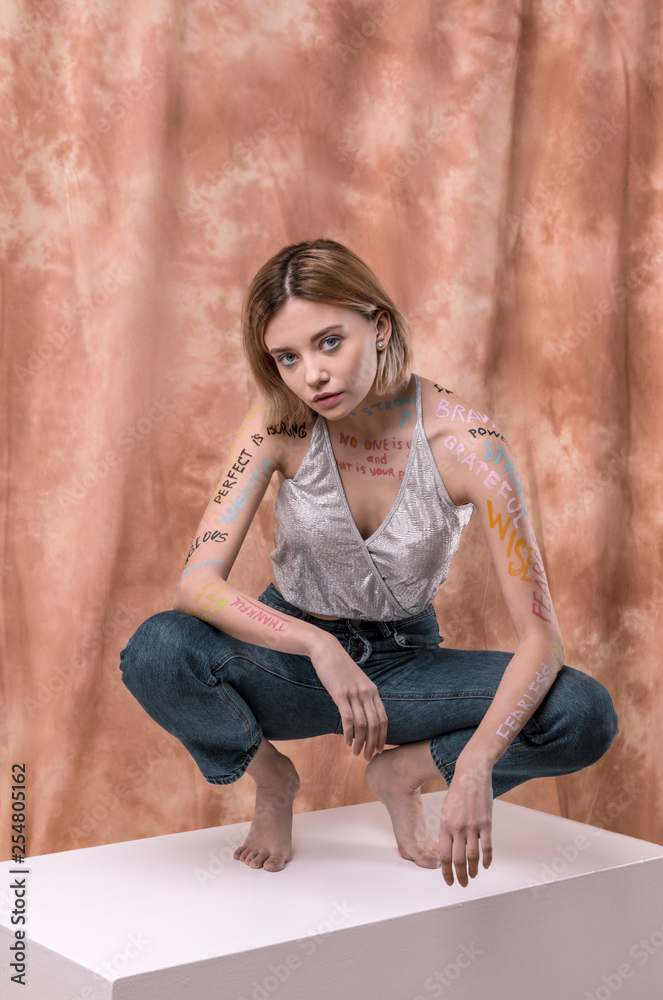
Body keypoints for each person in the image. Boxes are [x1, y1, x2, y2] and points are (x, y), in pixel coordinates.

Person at [119, 238, 618, 886]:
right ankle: (273, 782)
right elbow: (196, 584)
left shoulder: (470, 446)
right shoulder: (279, 422)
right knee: (157, 649)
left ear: (379, 327)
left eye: (329, 343)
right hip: (284, 662)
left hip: (400, 671)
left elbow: (540, 639)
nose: (312, 376)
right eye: (288, 357)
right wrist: (317, 645)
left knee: (581, 711)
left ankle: (399, 774)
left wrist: (472, 764)